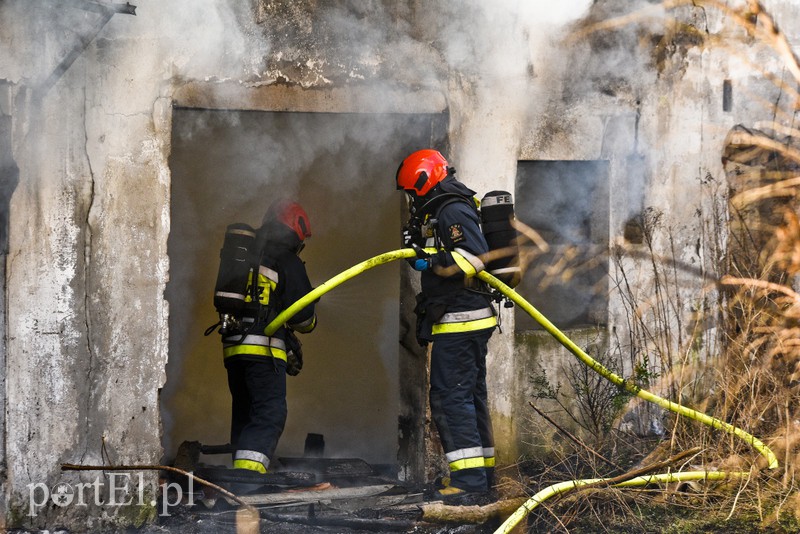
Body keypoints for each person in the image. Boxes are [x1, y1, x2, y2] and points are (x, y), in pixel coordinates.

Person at [396, 149, 498, 503]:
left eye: (413, 191)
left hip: (461, 318)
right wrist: (419, 247)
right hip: (459, 319)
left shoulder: (452, 208)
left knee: (451, 397)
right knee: (468, 396)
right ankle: (483, 477)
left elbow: (473, 258)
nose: (412, 198)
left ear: (425, 181)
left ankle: (469, 482)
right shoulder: (438, 210)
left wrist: (428, 260)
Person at [222, 199, 317, 475]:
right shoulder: (286, 259)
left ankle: (238, 478)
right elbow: (304, 319)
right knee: (268, 414)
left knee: (244, 412)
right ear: (295, 230)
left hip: (233, 350)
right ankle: (248, 482)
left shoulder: (245, 253)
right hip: (263, 352)